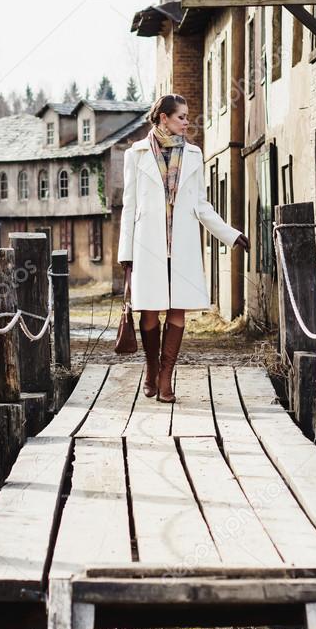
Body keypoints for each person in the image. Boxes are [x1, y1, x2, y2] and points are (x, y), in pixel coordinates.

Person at [117, 93, 250, 403]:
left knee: (178, 311)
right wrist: (126, 253)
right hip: (147, 245)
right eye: (181, 117)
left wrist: (229, 234)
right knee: (149, 314)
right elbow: (129, 205)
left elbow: (201, 205)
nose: (187, 122)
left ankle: (165, 377)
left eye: (188, 117)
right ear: (163, 118)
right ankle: (151, 369)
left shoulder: (193, 154)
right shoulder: (135, 155)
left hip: (182, 246)